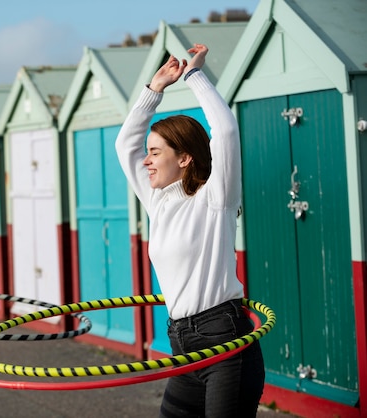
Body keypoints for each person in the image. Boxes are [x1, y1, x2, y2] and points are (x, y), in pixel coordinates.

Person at [115, 44, 265, 417]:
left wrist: (195, 76)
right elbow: (124, 144)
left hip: (225, 341)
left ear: (184, 158)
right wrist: (155, 89)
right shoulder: (159, 202)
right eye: (147, 153)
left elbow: (226, 131)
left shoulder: (216, 198)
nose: (145, 161)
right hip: (182, 342)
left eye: (155, 153)